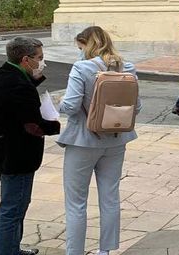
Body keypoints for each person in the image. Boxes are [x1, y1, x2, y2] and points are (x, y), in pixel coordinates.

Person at [58, 27, 141, 255]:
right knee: (110, 196)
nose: (79, 51)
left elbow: (72, 106)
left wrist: (58, 103)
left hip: (83, 140)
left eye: (80, 47)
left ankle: (74, 252)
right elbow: (138, 107)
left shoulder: (82, 68)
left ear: (87, 44)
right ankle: (105, 250)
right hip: (116, 139)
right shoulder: (128, 68)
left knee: (76, 202)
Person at [0, 37, 61, 255]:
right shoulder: (19, 85)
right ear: (26, 59)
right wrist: (55, 125)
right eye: (39, 59)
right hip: (16, 156)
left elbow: (14, 100)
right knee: (13, 208)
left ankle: (12, 248)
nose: (42, 63)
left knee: (15, 206)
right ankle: (7, 251)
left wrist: (34, 80)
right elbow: (32, 126)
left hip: (0, 151)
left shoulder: (1, 75)